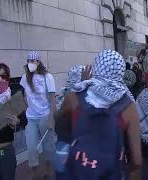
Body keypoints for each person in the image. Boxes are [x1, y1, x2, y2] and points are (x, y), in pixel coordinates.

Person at [58, 50, 142, 180]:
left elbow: (59, 126)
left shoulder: (73, 97)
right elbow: (137, 161)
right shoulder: (129, 106)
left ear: (96, 67)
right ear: (121, 71)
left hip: (78, 171)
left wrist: (83, 84)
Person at [20, 51, 57, 180]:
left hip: (45, 115)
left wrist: (52, 118)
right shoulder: (25, 77)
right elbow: (24, 96)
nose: (30, 63)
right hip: (31, 117)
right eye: (28, 61)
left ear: (38, 62)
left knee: (48, 147)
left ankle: (48, 171)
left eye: (33, 61)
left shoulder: (48, 77)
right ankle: (34, 175)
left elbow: (53, 98)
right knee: (31, 148)